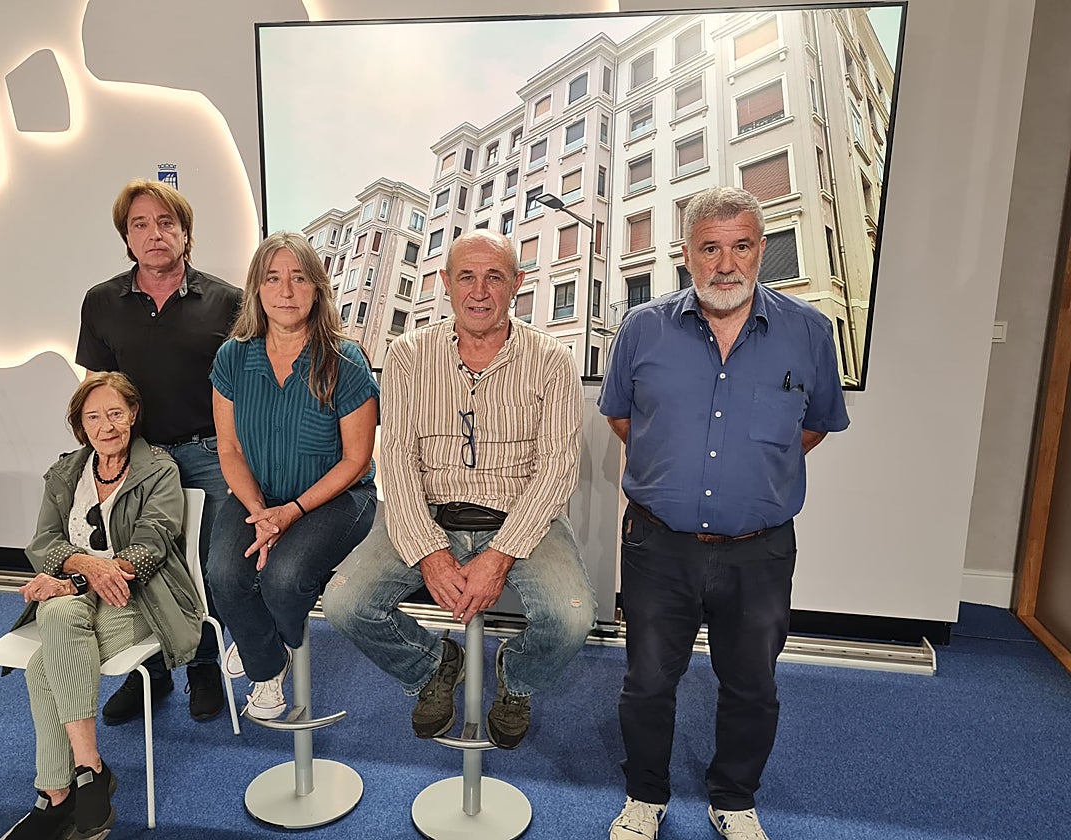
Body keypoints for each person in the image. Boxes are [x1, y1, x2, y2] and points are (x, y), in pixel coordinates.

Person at [599, 187, 851, 840]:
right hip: (659, 547)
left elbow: (815, 425)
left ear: (761, 250)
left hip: (760, 552)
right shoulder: (642, 328)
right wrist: (676, 475)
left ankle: (734, 800)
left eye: (741, 246)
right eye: (709, 248)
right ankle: (645, 796)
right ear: (687, 255)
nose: (726, 263)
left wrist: (751, 478)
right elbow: (626, 419)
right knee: (648, 683)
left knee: (752, 687)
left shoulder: (810, 332)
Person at [323, 229, 596, 750]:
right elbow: (397, 461)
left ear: (517, 284)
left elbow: (558, 469)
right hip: (428, 515)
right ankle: (433, 663)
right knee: (345, 604)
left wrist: (500, 555)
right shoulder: (406, 357)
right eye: (466, 276)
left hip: (521, 518)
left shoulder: (553, 359)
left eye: (494, 277)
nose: (479, 291)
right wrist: (429, 553)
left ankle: (515, 680)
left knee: (572, 618)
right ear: (445, 283)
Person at [0, 372, 202, 840]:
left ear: (132, 415)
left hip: (139, 596)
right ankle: (87, 770)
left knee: (42, 668)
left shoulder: (159, 469)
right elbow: (44, 541)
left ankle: (57, 794)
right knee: (58, 613)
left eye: (115, 413)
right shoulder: (66, 472)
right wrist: (83, 571)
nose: (106, 425)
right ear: (80, 425)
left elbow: (153, 540)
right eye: (94, 416)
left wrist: (87, 576)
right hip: (81, 589)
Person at [76, 179, 240, 724]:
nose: (154, 234)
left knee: (210, 568)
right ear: (126, 238)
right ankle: (152, 673)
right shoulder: (102, 302)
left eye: (166, 222)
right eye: (140, 225)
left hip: (209, 454)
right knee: (142, 565)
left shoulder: (227, 301)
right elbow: (96, 391)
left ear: (186, 232)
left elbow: (246, 388)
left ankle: (203, 668)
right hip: (136, 461)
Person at [208, 232, 378, 721]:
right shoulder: (233, 357)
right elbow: (230, 447)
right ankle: (267, 660)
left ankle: (257, 640)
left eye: (299, 278)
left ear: (317, 288)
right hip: (256, 494)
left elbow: (355, 460)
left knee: (283, 580)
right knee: (223, 574)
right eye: (273, 279)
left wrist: (291, 513)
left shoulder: (344, 360)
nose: (286, 291)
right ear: (256, 290)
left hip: (336, 498)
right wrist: (261, 512)